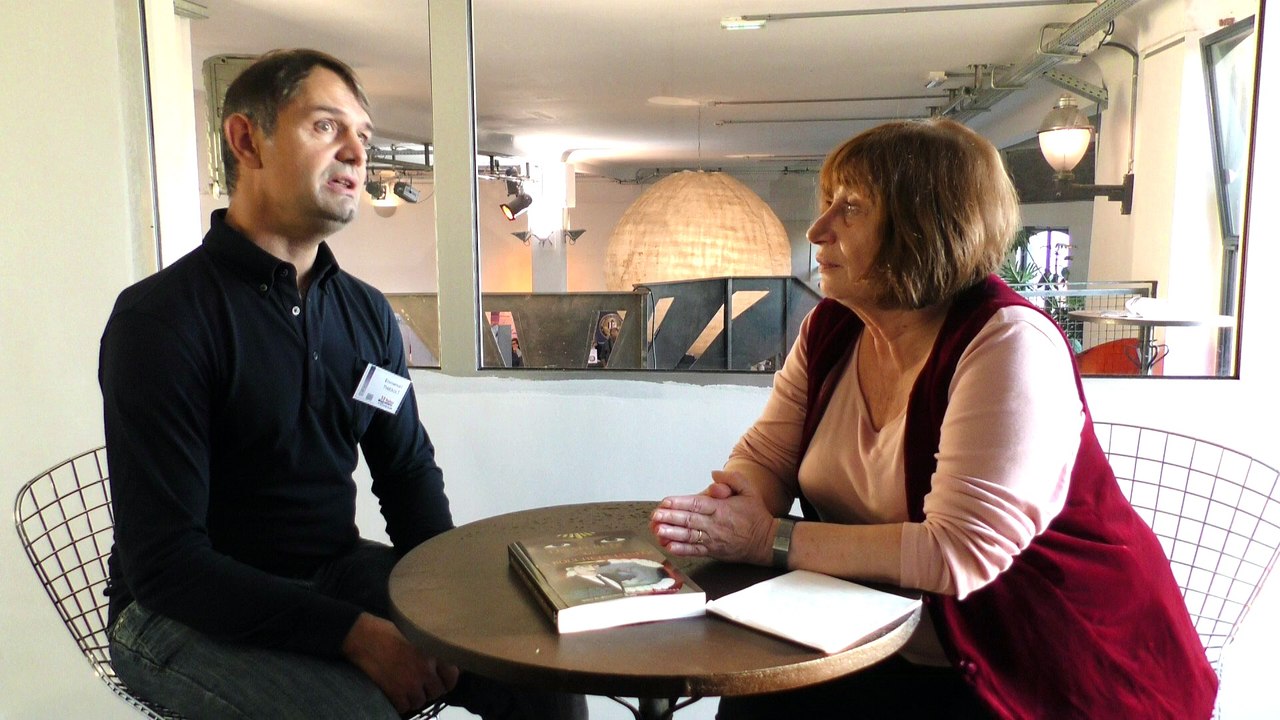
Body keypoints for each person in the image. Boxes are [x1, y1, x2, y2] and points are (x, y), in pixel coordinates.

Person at [650, 118, 1216, 719]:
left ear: (924, 228)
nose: (817, 231)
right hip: (876, 634)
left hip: (1033, 660)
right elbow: (768, 456)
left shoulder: (1007, 343)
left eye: (852, 209)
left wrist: (769, 538)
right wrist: (737, 501)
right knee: (753, 701)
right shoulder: (832, 327)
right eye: (826, 205)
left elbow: (958, 554)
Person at [99, 49, 586, 720]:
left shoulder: (364, 313)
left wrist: (444, 609)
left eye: (364, 135)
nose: (358, 152)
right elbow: (166, 566)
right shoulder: (163, 320)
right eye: (327, 127)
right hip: (177, 613)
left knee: (543, 680)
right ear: (247, 140)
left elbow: (408, 474)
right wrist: (354, 635)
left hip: (331, 573)